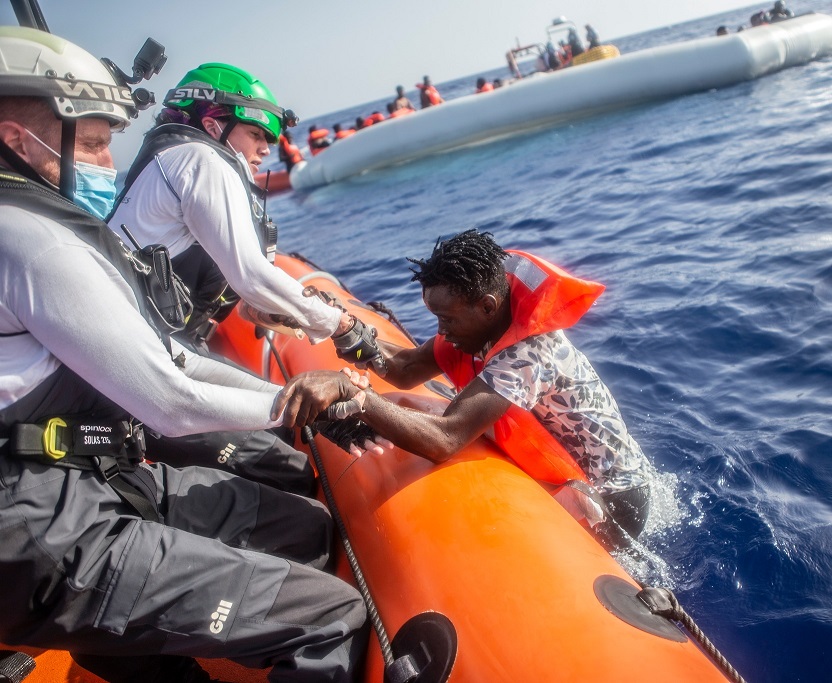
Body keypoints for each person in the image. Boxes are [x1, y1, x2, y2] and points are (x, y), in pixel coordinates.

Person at [0, 27, 369, 683]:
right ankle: (100, 626)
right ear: (14, 139)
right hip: (38, 522)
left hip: (77, 477)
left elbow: (166, 356)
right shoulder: (31, 239)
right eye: (89, 144)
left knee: (303, 529)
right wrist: (296, 400)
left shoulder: (31, 224)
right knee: (329, 613)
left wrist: (290, 404)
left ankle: (109, 641)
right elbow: (168, 395)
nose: (108, 166)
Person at [107, 63, 383, 492]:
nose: (264, 150)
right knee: (286, 469)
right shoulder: (200, 160)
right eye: (256, 135)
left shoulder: (168, 161)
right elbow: (252, 276)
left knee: (280, 430)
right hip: (140, 379)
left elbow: (246, 299)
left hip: (166, 352)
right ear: (215, 124)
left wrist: (301, 324)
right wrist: (343, 327)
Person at [288, 230, 653, 548]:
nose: (440, 330)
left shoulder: (528, 355)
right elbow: (405, 368)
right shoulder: (479, 326)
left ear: (487, 306)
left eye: (446, 319)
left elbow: (445, 440)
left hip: (614, 498)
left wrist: (354, 398)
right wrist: (343, 328)